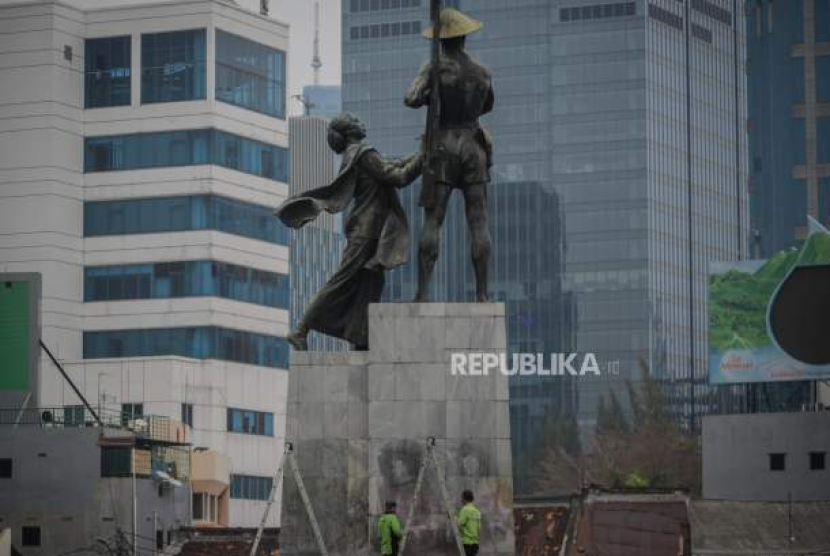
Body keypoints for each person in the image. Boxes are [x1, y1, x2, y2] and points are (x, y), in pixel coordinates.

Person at [276, 113, 423, 350]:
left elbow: (392, 166)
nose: (361, 122)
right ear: (349, 130)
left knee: (370, 284)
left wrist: (420, 153)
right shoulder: (364, 153)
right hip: (366, 231)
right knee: (342, 281)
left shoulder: (359, 155)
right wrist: (424, 156)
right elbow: (398, 176)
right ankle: (301, 329)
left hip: (372, 231)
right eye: (355, 120)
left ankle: (360, 338)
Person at [405, 7, 494, 302]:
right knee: (478, 221)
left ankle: (423, 292)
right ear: (464, 38)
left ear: (441, 40)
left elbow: (411, 98)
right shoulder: (482, 72)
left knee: (433, 220)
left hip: (443, 144)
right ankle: (482, 294)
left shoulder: (434, 68)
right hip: (473, 144)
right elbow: (486, 106)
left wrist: (431, 86)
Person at [457, 489, 481, 556]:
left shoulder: (465, 510)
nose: (461, 500)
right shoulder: (477, 511)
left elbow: (459, 524)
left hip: (467, 543)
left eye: (461, 498)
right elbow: (479, 528)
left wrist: (453, 518)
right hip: (475, 544)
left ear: (464, 499)